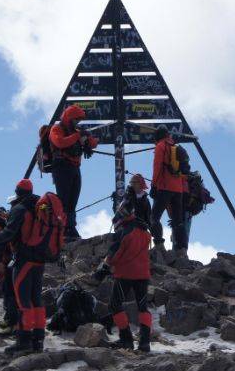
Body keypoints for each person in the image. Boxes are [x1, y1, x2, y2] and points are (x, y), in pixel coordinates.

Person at [95, 175, 153, 351]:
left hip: (125, 275)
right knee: (143, 307)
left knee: (114, 305)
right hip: (143, 274)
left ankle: (126, 339)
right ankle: (145, 342)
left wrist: (104, 267)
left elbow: (115, 254)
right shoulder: (145, 233)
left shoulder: (123, 233)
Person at [0, 180, 44, 353]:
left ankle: (24, 340)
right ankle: (38, 340)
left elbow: (9, 234)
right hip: (40, 260)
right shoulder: (39, 207)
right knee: (36, 300)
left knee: (23, 300)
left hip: (24, 260)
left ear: (17, 192)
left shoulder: (19, 209)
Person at [49, 104, 98, 241]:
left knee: (72, 201)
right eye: (76, 119)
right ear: (69, 118)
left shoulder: (76, 130)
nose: (77, 122)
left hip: (74, 168)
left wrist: (89, 139)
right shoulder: (57, 129)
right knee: (64, 200)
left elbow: (93, 143)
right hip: (62, 167)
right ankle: (63, 229)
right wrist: (78, 136)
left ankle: (70, 227)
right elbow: (59, 143)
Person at [150, 126, 188, 255]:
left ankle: (159, 244)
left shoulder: (161, 146)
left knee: (154, 217)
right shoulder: (175, 146)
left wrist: (154, 186)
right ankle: (182, 249)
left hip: (164, 187)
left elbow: (157, 168)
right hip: (178, 189)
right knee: (178, 220)